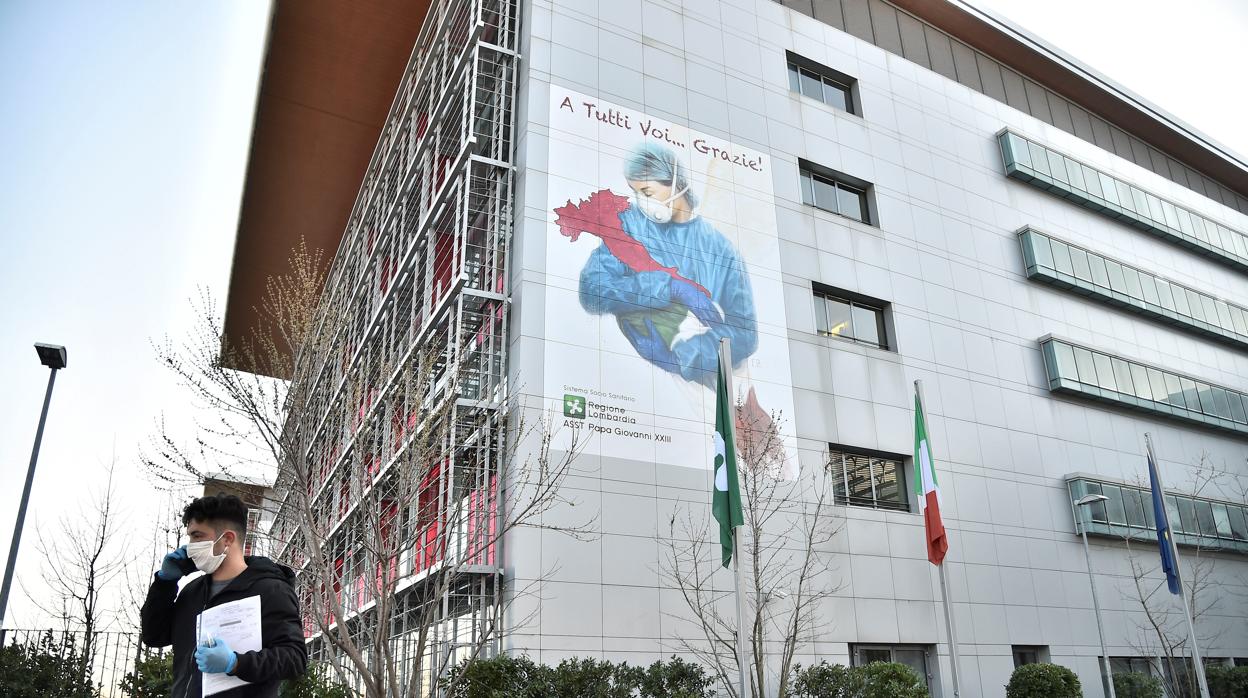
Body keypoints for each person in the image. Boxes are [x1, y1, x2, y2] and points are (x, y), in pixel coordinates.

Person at [578, 142, 758, 385]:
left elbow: (745, 335)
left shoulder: (722, 250)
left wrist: (679, 358)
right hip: (629, 382)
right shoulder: (630, 225)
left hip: (704, 390)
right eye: (636, 192)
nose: (642, 202)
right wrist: (669, 287)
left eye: (648, 193)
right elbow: (592, 289)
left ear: (675, 182)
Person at [141, 494, 306, 697]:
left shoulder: (271, 590)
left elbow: (294, 658)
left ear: (227, 538)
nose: (190, 546)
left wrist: (235, 663)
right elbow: (153, 636)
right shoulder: (191, 592)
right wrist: (164, 583)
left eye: (197, 536)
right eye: (190, 537)